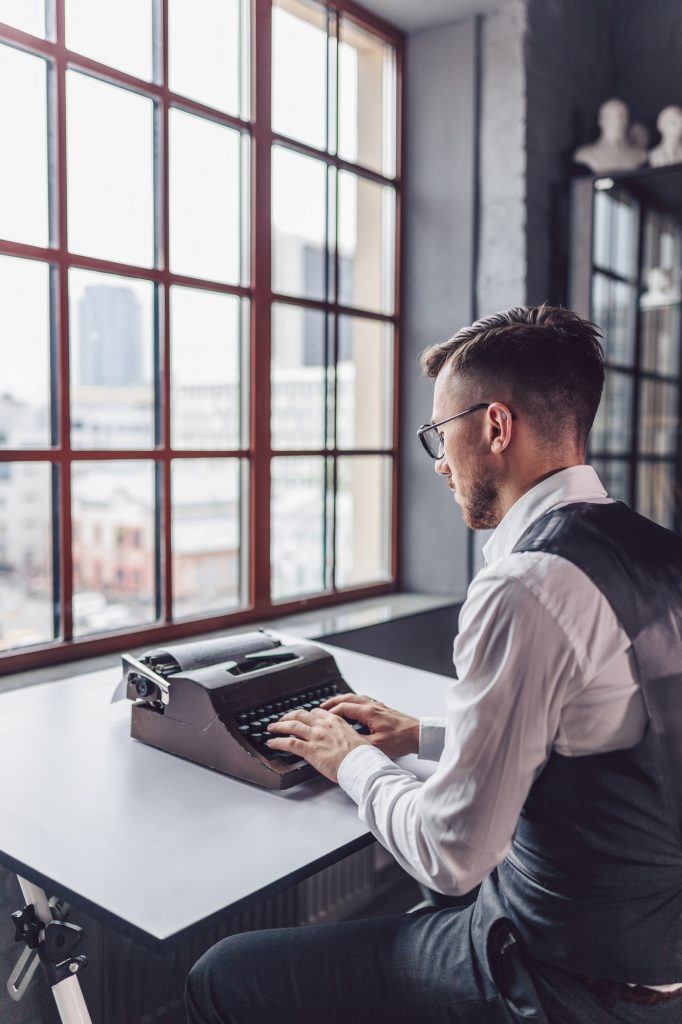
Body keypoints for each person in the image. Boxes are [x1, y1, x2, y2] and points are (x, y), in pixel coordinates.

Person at [186, 304, 682, 1023]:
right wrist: (419, 734)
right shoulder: (654, 553)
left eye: (439, 435)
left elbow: (454, 852)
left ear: (494, 427)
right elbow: (599, 732)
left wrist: (347, 758)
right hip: (656, 972)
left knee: (224, 973)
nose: (441, 463)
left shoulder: (529, 587)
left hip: (558, 983)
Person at [573, 98, 647, 173]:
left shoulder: (640, 155)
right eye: (610, 116)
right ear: (601, 120)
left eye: (621, 116)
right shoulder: (585, 154)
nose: (617, 120)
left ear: (627, 121)